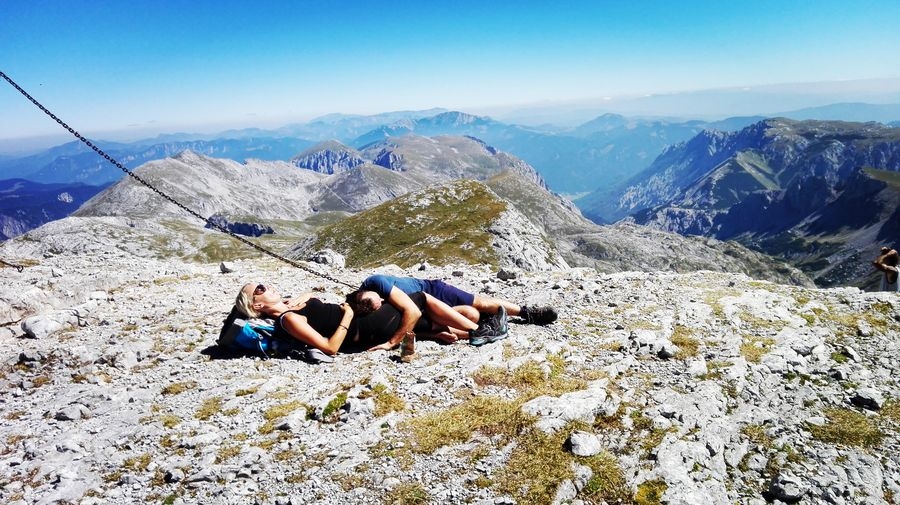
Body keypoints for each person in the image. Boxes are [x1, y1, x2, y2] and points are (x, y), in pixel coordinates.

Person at [346, 274, 558, 347]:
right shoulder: (371, 305)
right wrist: (433, 334)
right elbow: (405, 323)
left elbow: (410, 311)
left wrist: (392, 343)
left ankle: (526, 313)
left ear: (362, 292)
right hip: (425, 309)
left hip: (430, 290)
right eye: (380, 305)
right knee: (473, 314)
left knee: (479, 303)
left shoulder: (375, 282)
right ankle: (484, 326)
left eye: (379, 299)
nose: (383, 301)